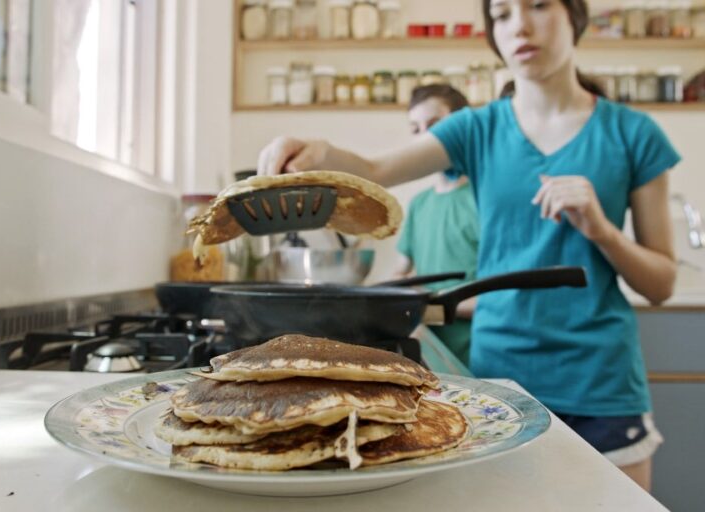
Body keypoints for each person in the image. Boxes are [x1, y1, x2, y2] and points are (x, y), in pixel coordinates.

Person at [256, 0, 679, 492]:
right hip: (502, 382)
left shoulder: (633, 134)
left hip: (601, 386)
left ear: (575, 17)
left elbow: (661, 284)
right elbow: (375, 171)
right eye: (501, 14)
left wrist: (602, 230)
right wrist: (318, 152)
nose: (519, 24)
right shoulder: (478, 128)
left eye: (538, 5)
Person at [395, 84, 479, 366]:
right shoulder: (420, 204)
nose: (424, 138)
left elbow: (503, 300)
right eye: (415, 129)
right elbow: (399, 273)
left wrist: (428, 305)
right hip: (432, 353)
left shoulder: (483, 200)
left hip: (477, 355)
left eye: (434, 125)